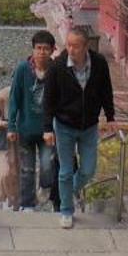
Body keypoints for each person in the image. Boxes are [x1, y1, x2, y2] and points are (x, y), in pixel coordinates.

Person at [45, 26, 116, 229]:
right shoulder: (58, 66)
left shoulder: (99, 63)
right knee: (65, 171)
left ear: (86, 47)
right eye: (68, 45)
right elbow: (48, 100)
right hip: (64, 125)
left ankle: (69, 191)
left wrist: (110, 116)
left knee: (88, 170)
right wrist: (47, 128)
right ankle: (66, 210)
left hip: (89, 126)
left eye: (76, 46)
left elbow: (106, 91)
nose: (71, 49)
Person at [7, 29, 58, 213]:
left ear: (52, 50)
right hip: (26, 128)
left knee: (47, 165)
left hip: (48, 132)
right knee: (27, 170)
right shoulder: (23, 69)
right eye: (38, 48)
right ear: (33, 49)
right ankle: (27, 203)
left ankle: (45, 189)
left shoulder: (57, 70)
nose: (41, 52)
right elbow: (14, 98)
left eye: (46, 48)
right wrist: (11, 125)